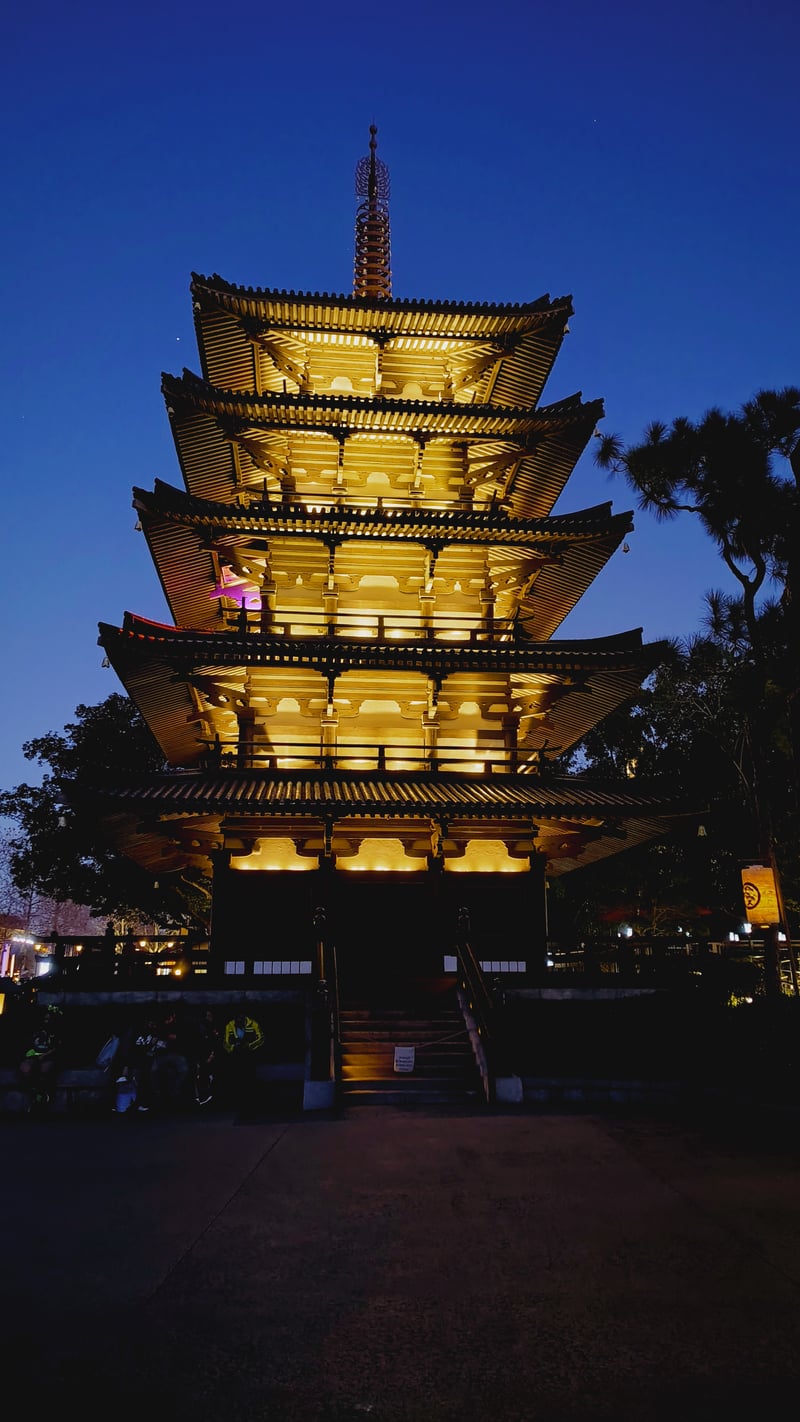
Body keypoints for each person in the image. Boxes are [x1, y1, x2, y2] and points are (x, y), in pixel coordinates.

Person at [18, 1005, 63, 1111]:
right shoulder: (34, 1030)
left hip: (48, 1057)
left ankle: (43, 1097)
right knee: (25, 1068)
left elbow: (57, 1048)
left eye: (49, 1019)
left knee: (44, 1070)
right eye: (45, 1018)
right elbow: (26, 1045)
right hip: (33, 1057)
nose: (46, 1021)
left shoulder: (56, 1032)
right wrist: (29, 1054)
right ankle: (36, 1093)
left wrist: (44, 1056)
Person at [222, 1010, 264, 1110]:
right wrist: (233, 1048)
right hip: (236, 1056)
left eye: (241, 1020)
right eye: (237, 1020)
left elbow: (261, 1038)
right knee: (237, 1080)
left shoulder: (253, 1024)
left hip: (250, 1055)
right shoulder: (230, 1025)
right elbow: (225, 1042)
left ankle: (250, 1103)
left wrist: (249, 1046)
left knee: (249, 1079)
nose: (239, 1022)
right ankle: (239, 1103)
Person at [187, 1007, 221, 1106]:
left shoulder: (213, 1028)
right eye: (207, 1016)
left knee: (211, 1074)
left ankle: (211, 1095)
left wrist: (212, 1055)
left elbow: (216, 1043)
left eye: (210, 1016)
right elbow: (195, 1045)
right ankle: (199, 1097)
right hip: (200, 1057)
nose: (208, 1018)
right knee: (198, 1074)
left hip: (210, 1056)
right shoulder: (199, 1029)